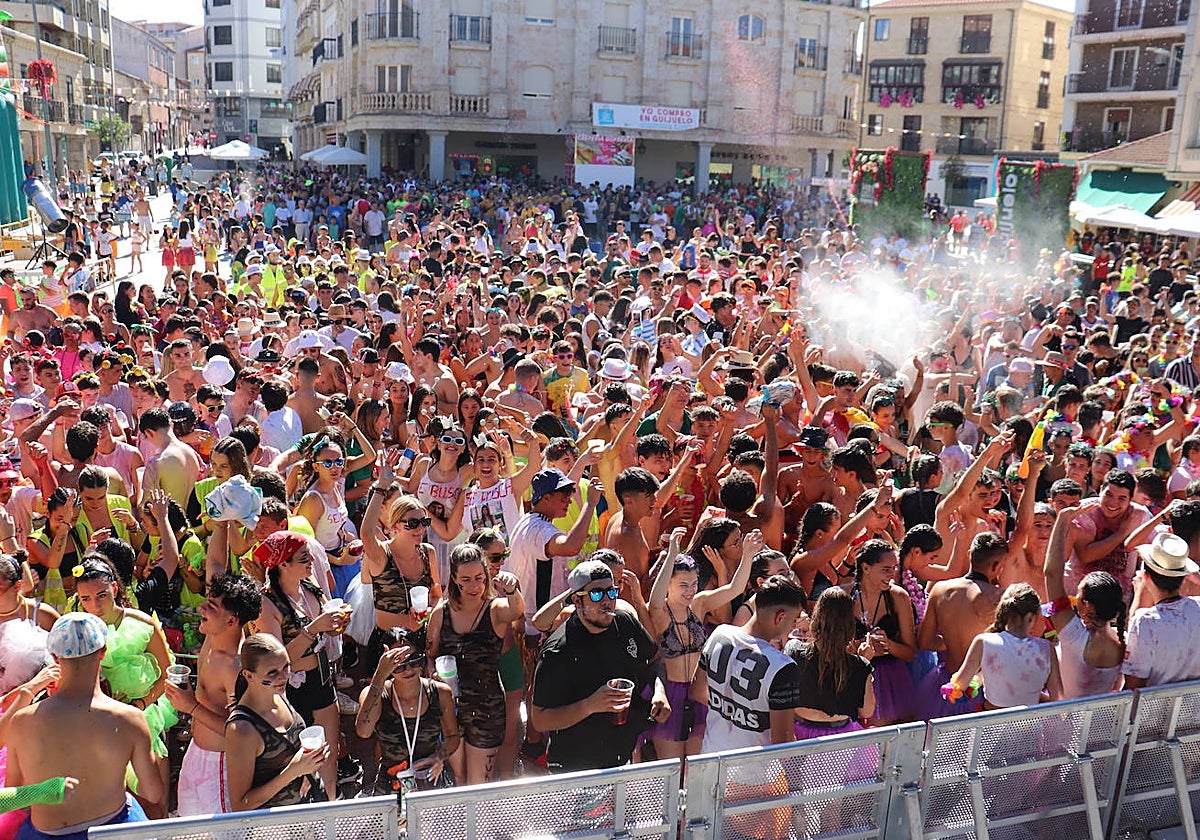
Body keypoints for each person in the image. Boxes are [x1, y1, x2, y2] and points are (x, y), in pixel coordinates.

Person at [6, 613, 163, 839]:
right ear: (103, 652)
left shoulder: (23, 721)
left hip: (46, 833)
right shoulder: (130, 719)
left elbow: (16, 799)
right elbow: (153, 792)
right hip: (112, 830)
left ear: (55, 657)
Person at [530, 560, 670, 771]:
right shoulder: (558, 651)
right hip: (575, 767)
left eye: (612, 592)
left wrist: (660, 691)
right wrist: (590, 705)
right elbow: (540, 720)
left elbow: (655, 660)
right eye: (596, 594)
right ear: (577, 601)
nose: (607, 601)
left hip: (622, 758)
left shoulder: (625, 623)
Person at [644, 528, 760, 758]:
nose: (690, 591)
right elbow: (654, 599)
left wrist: (747, 555)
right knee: (673, 770)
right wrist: (671, 555)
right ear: (669, 584)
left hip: (699, 693)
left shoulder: (699, 604)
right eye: (683, 585)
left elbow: (734, 589)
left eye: (694, 583)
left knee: (696, 770)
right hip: (670, 695)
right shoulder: (660, 612)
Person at [255, 531, 352, 798]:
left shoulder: (309, 586)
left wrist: (336, 625)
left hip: (321, 678)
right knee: (298, 761)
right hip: (290, 690)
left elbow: (325, 627)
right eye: (303, 558)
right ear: (283, 563)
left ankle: (331, 809)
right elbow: (276, 660)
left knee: (328, 752)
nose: (311, 562)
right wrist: (313, 629)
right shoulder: (268, 603)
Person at [163, 573, 262, 817]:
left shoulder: (235, 667)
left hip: (220, 766)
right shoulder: (211, 636)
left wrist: (192, 707)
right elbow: (215, 564)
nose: (201, 608)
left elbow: (243, 735)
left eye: (211, 606)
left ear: (232, 621)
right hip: (196, 755)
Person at [426, 543, 524, 784]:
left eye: (479, 578)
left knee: (478, 784)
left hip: (487, 709)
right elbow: (429, 654)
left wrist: (511, 590)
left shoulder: (494, 609)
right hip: (451, 709)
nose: (474, 586)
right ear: (454, 579)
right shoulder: (441, 613)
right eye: (466, 579)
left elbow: (516, 609)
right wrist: (433, 674)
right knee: (458, 779)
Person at [225, 634, 331, 810]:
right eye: (272, 672)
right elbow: (240, 805)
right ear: (248, 676)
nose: (283, 677)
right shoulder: (242, 729)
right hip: (273, 826)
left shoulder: (278, 693)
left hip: (307, 811)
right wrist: (294, 772)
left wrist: (311, 766)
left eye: (286, 667)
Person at [355, 629, 460, 799]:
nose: (408, 669)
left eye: (414, 659)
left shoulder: (440, 693)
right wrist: (380, 675)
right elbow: (363, 731)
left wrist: (439, 756)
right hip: (390, 787)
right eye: (398, 663)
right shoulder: (375, 694)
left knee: (432, 825)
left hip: (429, 781)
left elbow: (453, 736)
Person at [1043, 506, 1125, 699]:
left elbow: (1051, 574)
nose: (1073, 599)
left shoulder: (1074, 636)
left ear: (1087, 605)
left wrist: (1062, 519)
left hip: (1066, 726)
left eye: (1078, 596)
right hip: (1103, 724)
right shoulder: (1124, 640)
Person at [950, 583, 1063, 709]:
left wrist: (978, 680)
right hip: (1031, 726)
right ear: (1031, 618)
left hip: (993, 724)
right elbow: (1057, 698)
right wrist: (1031, 693)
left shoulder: (983, 642)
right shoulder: (1047, 648)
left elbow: (959, 685)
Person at [1123, 532, 1200, 688]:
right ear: (1184, 576)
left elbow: (1134, 683)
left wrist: (1138, 594)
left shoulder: (1145, 621)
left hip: (1154, 709)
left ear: (1146, 576)